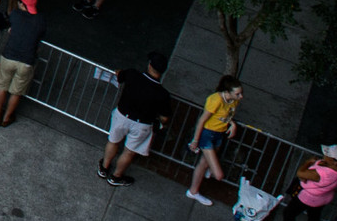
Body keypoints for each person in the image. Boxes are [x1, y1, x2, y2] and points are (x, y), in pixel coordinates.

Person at [99, 50, 173, 187]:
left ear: (150, 65)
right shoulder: (163, 94)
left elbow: (119, 75)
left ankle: (104, 168)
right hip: (142, 125)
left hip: (121, 116)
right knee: (129, 152)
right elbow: (165, 117)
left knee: (113, 142)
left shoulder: (133, 75)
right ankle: (116, 177)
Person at [184, 76, 243, 204]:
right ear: (228, 92)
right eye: (237, 94)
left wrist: (233, 124)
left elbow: (226, 115)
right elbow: (202, 120)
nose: (240, 96)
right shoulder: (215, 100)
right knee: (218, 174)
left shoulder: (233, 101)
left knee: (204, 163)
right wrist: (195, 140)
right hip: (207, 134)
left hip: (219, 134)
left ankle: (193, 191)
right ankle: (195, 188)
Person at [0, 0, 43, 128]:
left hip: (8, 57)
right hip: (26, 61)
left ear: (22, 4)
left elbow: (11, 26)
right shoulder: (40, 21)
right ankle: (7, 118)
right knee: (16, 92)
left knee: (2, 87)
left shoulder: (15, 14)